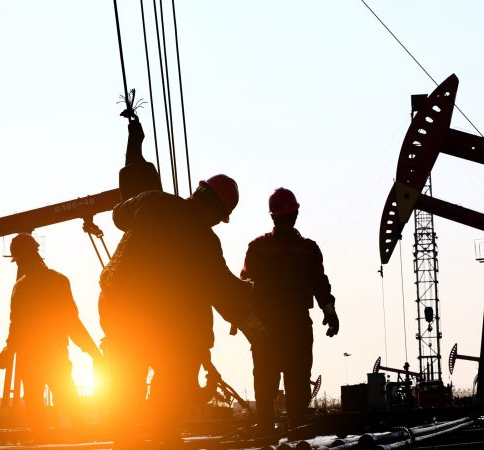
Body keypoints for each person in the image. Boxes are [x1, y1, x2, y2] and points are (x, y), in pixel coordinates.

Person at [99, 114, 266, 446]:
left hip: (115, 306)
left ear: (197, 192)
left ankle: (124, 440)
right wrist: (252, 305)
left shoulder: (152, 201)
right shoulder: (204, 240)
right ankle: (164, 436)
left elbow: (120, 212)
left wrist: (135, 147)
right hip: (151, 315)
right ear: (217, 214)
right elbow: (222, 291)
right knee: (176, 369)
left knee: (125, 378)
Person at [241, 188, 339, 435]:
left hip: (271, 326)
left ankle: (270, 427)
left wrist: (329, 310)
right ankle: (290, 427)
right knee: (290, 378)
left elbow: (245, 286)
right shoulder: (306, 249)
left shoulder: (260, 248)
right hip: (289, 325)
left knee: (270, 378)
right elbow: (319, 283)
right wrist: (329, 311)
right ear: (295, 214)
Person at [0, 233, 102, 436]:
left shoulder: (21, 288)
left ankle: (45, 440)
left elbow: (16, 327)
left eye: (18, 260)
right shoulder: (57, 281)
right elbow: (72, 323)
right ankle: (82, 439)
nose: (18, 264)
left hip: (32, 358)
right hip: (53, 356)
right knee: (67, 400)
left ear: (24, 258)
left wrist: (8, 351)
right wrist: (93, 352)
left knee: (39, 411)